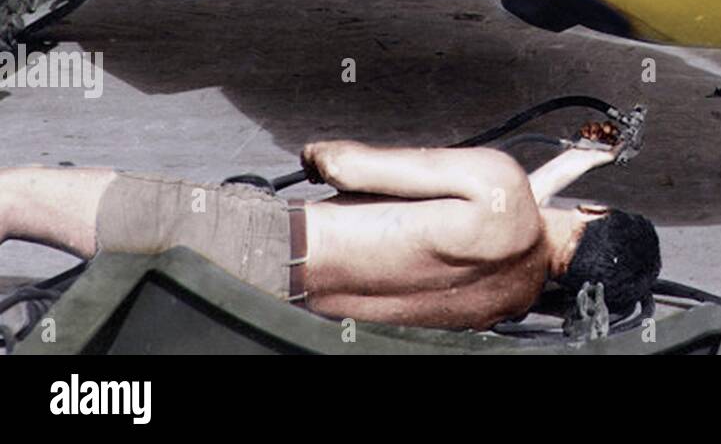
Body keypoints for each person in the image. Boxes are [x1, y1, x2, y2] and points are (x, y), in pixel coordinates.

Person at [0, 136, 660, 331]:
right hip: (262, 306)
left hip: (240, 232)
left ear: (597, 209)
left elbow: (344, 166)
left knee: (14, 193)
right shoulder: (507, 300)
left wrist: (321, 152)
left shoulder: (502, 184)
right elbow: (505, 230)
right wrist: (575, 158)